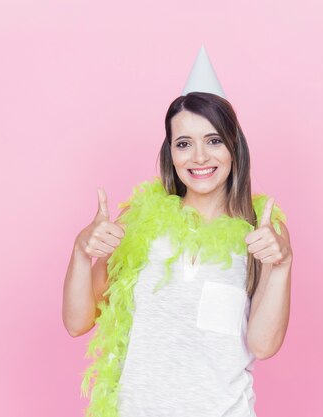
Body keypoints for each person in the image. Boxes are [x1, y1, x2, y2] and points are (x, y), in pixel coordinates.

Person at [62, 49, 292, 417]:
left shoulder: (262, 230)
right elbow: (77, 323)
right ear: (171, 152)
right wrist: (80, 251)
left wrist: (281, 266)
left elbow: (263, 345)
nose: (199, 157)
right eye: (184, 143)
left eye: (214, 140)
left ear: (234, 147)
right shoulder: (137, 222)